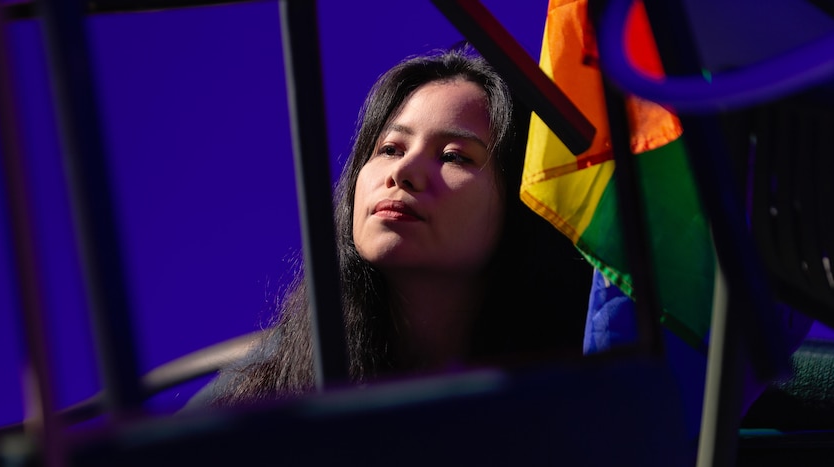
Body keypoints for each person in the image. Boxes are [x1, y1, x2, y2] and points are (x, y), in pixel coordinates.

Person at [187, 44, 592, 409]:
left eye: (453, 156)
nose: (403, 171)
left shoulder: (586, 392)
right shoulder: (257, 399)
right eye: (389, 149)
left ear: (527, 200)